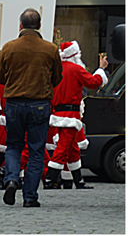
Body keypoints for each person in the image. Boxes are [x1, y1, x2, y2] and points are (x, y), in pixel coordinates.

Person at [0, 8, 63, 207]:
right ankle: (30, 197)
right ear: (40, 26)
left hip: (14, 104)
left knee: (14, 145)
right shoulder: (50, 49)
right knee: (36, 151)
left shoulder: (8, 47)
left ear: (21, 25)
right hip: (39, 103)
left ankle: (12, 179)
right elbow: (57, 78)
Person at [45, 41, 108, 189]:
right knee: (63, 147)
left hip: (57, 113)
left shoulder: (56, 69)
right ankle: (50, 179)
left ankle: (78, 181)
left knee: (72, 148)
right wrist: (101, 69)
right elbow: (93, 82)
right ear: (75, 54)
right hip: (71, 115)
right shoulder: (76, 69)